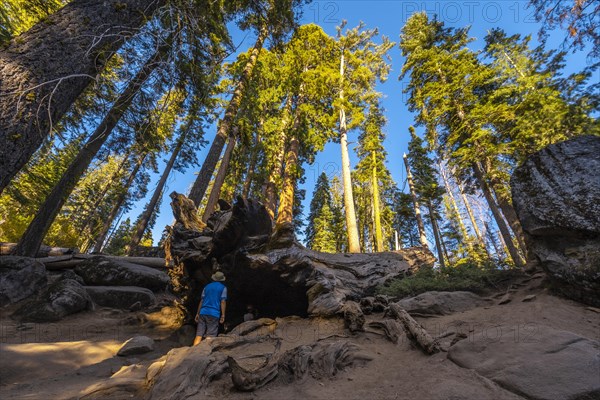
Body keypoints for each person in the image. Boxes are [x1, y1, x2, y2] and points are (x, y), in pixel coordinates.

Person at [193, 271, 227, 346]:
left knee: (199, 335)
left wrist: (197, 313)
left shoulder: (207, 287)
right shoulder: (223, 288)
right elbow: (223, 301)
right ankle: (205, 354)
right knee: (210, 336)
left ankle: (192, 351)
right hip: (214, 314)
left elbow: (202, 301)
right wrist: (223, 315)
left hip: (203, 312)